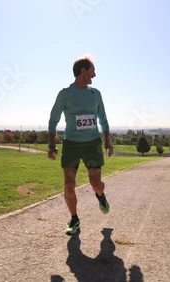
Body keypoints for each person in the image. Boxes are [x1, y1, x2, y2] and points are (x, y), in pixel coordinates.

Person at [48, 55, 114, 235]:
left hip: (92, 144)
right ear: (83, 71)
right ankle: (74, 219)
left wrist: (108, 141)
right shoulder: (65, 94)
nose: (95, 74)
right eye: (92, 70)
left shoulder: (95, 94)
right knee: (69, 184)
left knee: (95, 184)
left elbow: (104, 120)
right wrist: (51, 144)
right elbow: (53, 120)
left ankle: (100, 195)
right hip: (71, 144)